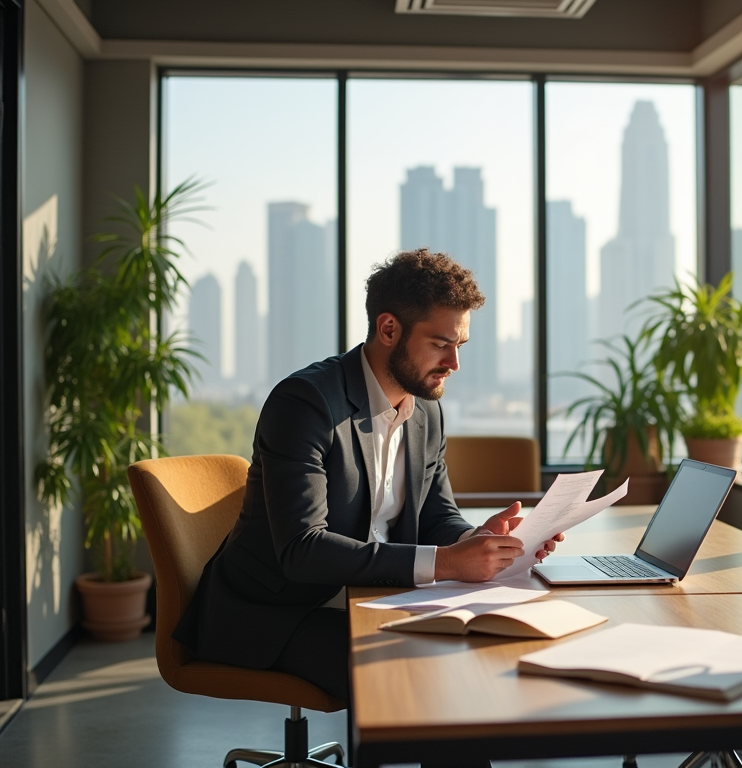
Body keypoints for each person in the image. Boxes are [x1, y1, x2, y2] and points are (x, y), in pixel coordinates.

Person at [174, 248, 562, 702]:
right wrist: (446, 562)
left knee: (465, 660)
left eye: (461, 346)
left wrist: (478, 539)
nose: (454, 363)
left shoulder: (426, 410)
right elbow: (302, 550)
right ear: (388, 329)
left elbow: (437, 514)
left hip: (368, 597)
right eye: (440, 344)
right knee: (413, 680)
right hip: (277, 613)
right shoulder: (306, 404)